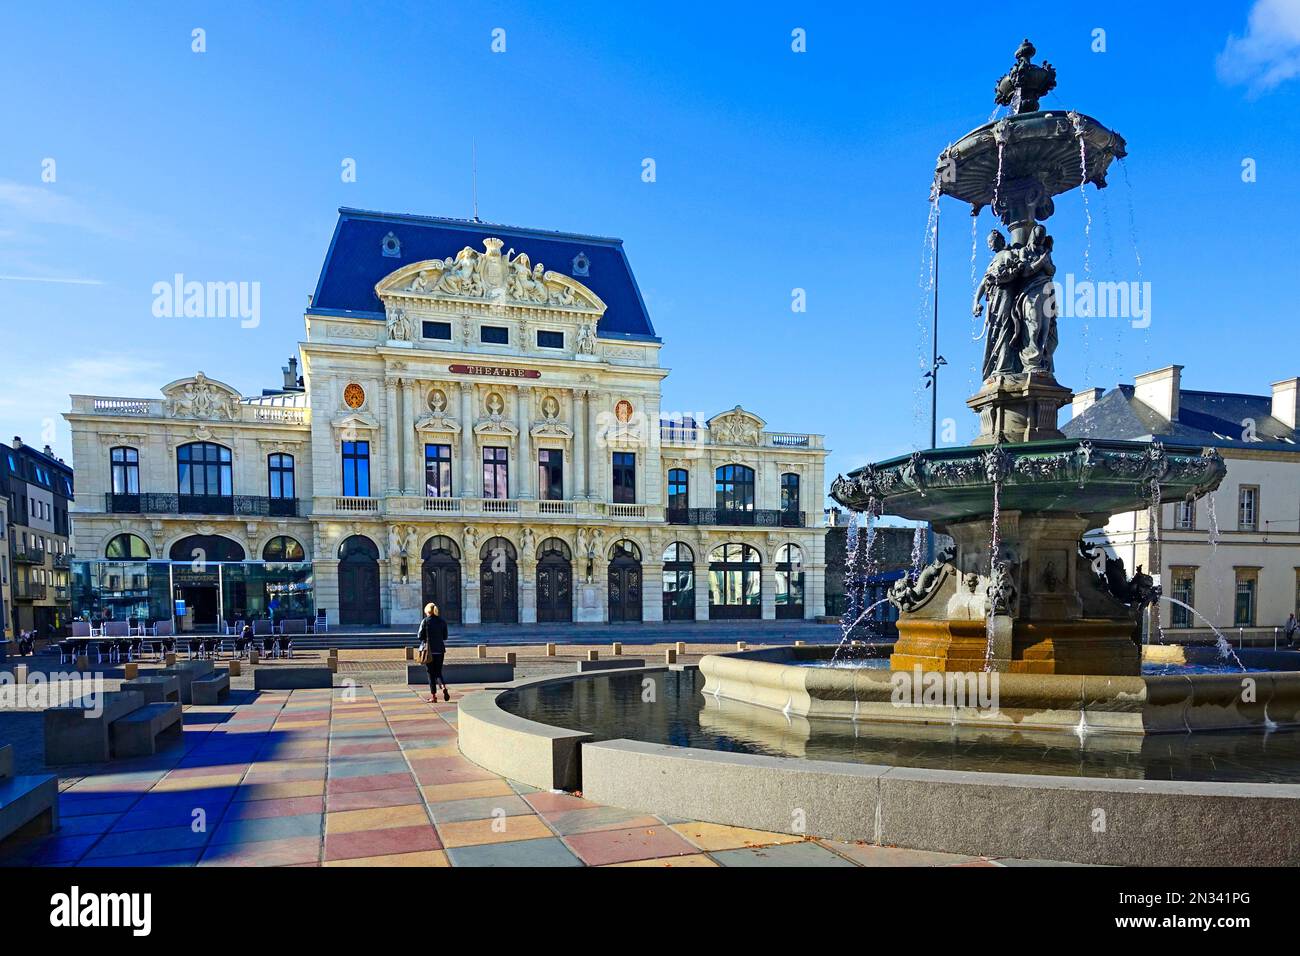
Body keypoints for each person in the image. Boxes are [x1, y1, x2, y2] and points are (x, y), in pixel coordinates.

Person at [418, 602, 450, 703]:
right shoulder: (442, 621)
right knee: (438, 672)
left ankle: (434, 696)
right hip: (440, 650)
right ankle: (443, 686)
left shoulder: (425, 621)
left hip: (429, 651)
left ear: (427, 611)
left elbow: (419, 636)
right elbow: (445, 637)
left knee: (430, 673)